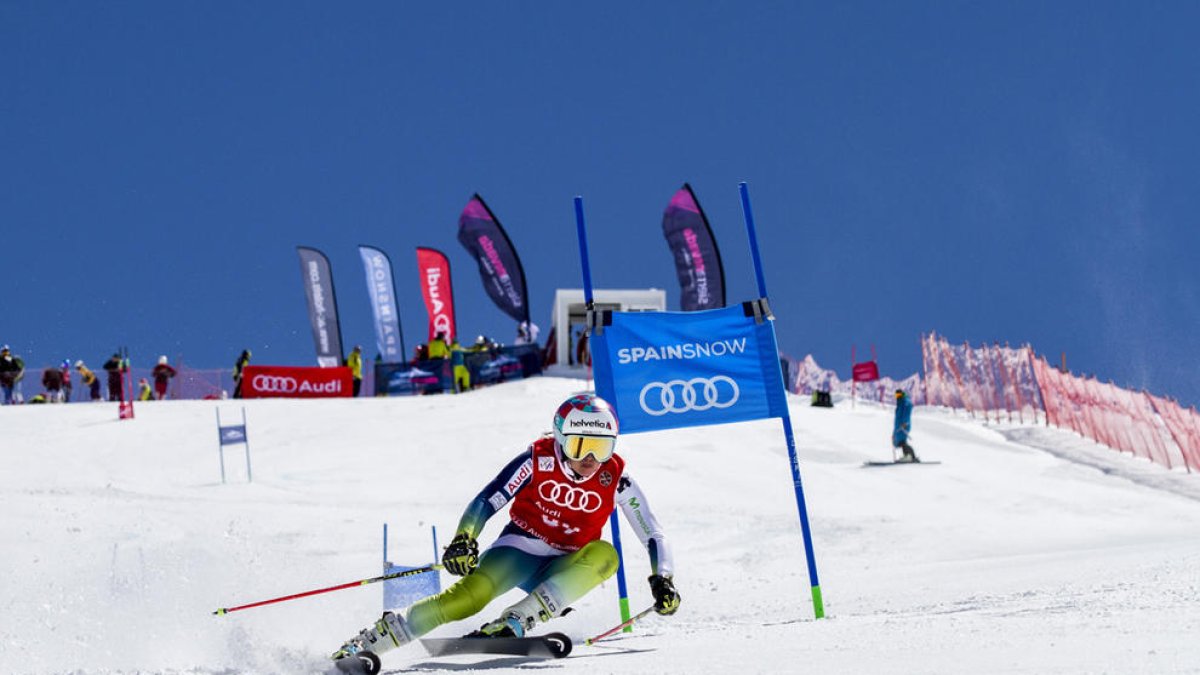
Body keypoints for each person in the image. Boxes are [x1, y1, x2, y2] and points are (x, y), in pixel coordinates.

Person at [331, 393, 680, 667]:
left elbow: (653, 533)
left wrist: (662, 578)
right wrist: (465, 538)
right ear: (561, 439)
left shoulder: (615, 477)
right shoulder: (537, 460)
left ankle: (515, 621)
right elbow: (489, 498)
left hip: (565, 565)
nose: (590, 458)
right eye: (580, 445)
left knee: (606, 556)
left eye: (601, 447)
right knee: (466, 599)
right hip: (519, 550)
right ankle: (370, 641)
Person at [893, 389, 919, 462]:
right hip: (899, 426)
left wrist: (905, 423)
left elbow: (906, 414)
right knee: (900, 442)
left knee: (902, 441)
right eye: (896, 395)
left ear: (902, 394)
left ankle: (910, 456)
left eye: (899, 395)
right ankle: (908, 456)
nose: (897, 397)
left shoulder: (905, 402)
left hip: (904, 425)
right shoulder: (900, 403)